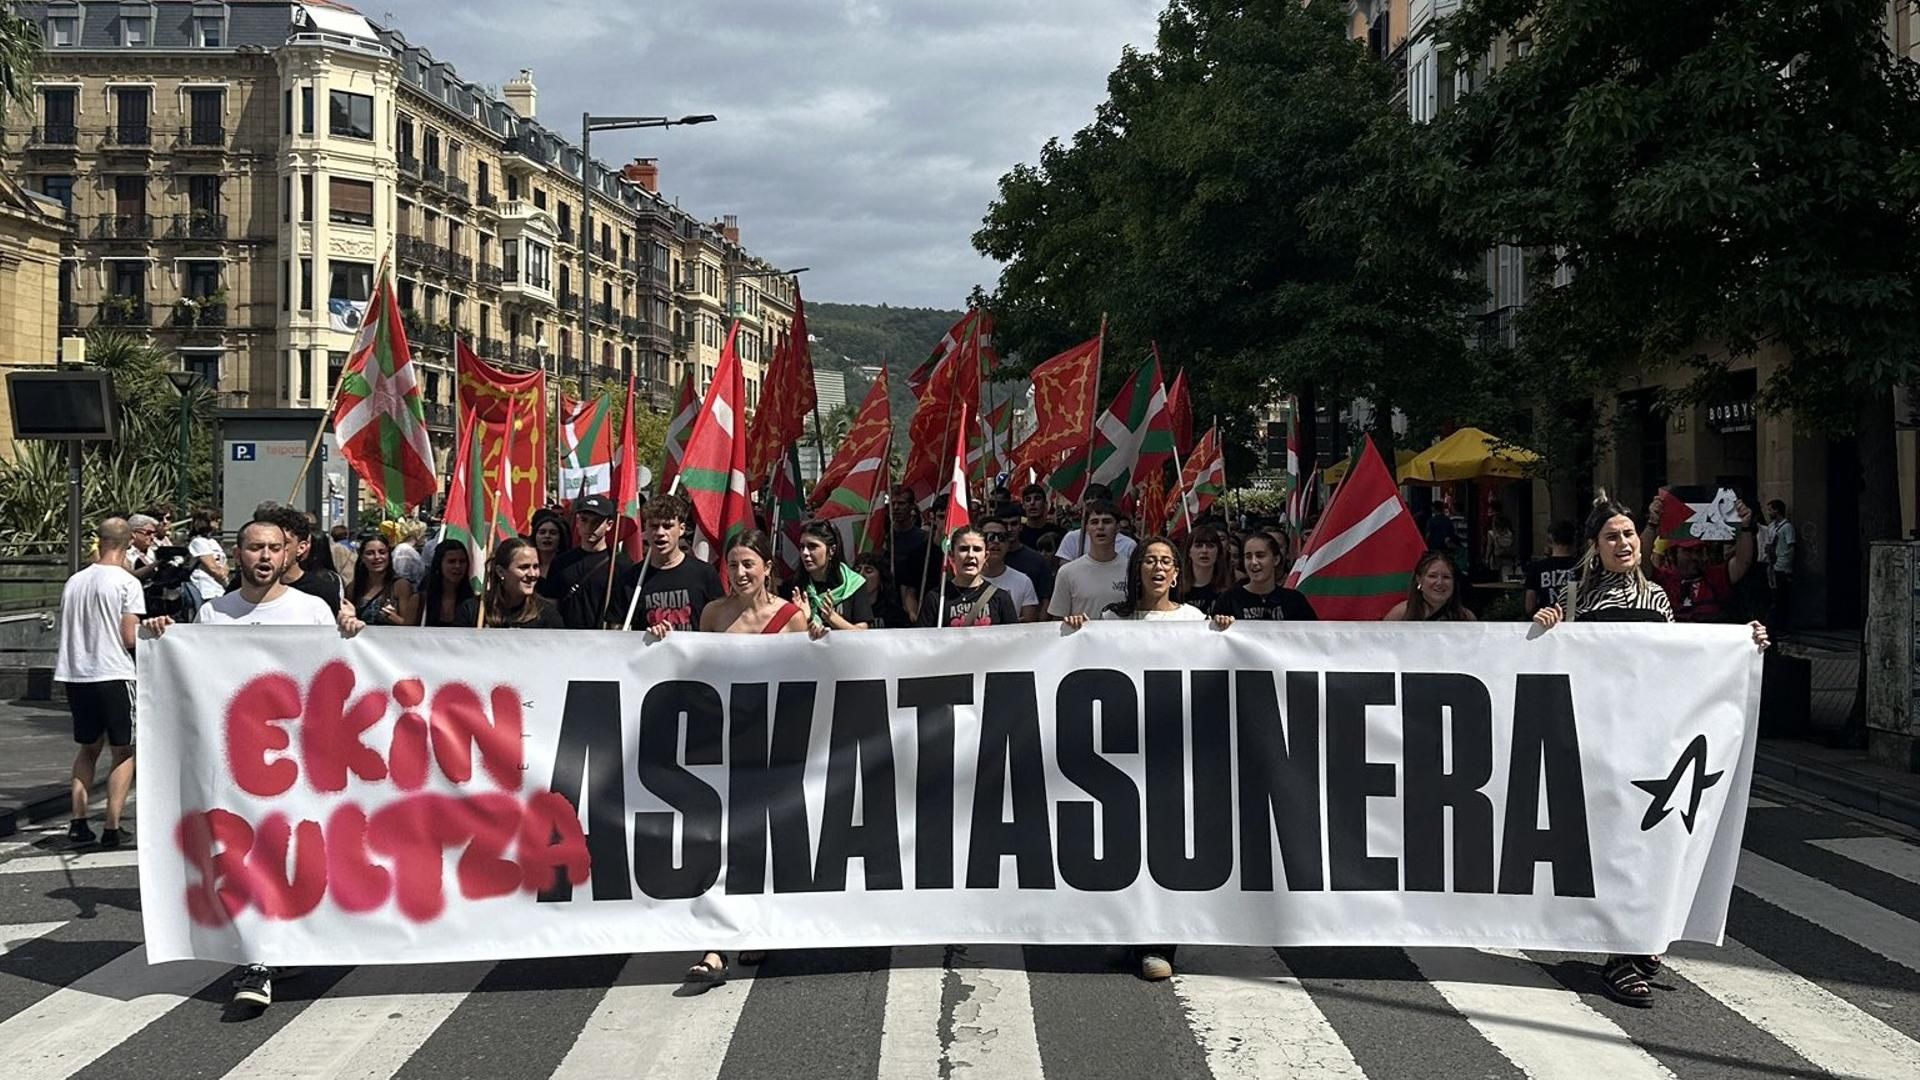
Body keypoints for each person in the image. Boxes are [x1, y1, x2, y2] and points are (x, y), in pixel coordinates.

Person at [1532, 494, 1766, 1009]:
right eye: (1612, 536)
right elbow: (1549, 665)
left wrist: (1740, 644)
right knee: (1612, 847)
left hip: (1650, 738)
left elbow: (1675, 661)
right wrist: (1545, 628)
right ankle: (1625, 951)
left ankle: (1633, 950)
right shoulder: (1575, 600)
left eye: (1630, 534)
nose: (1624, 543)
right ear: (1596, 546)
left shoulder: (1658, 596)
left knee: (1648, 844)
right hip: (1597, 741)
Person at [143, 516, 363, 1010]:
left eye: (273, 548)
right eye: (254, 548)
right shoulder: (215, 615)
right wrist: (162, 635)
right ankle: (256, 958)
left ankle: (287, 943)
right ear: (236, 554)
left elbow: (336, 679)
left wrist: (352, 632)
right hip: (237, 762)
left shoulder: (311, 611)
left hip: (297, 760)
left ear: (290, 555)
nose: (263, 557)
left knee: (293, 854)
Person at [1062, 536, 1230, 981]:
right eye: (1150, 561)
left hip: (1172, 749)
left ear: (1178, 573)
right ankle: (1131, 935)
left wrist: (1226, 633)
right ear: (1136, 570)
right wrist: (1079, 628)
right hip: (1120, 749)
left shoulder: (1195, 620)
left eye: (1166, 562)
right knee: (1124, 840)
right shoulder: (1112, 620)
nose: (1158, 568)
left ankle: (1159, 943)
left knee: (1166, 839)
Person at [680, 529, 814, 987]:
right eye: (732, 565)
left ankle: (757, 925)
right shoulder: (713, 614)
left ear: (767, 569)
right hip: (725, 743)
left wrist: (820, 636)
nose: (739, 574)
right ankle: (714, 947)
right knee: (719, 840)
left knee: (761, 841)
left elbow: (809, 682)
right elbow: (698, 671)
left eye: (748, 565)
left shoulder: (792, 617)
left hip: (775, 746)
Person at [54, 518, 144, 849]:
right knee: (124, 750)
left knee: (88, 747)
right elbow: (129, 636)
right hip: (114, 672)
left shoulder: (75, 581)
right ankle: (111, 825)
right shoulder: (127, 583)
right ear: (128, 542)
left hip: (76, 673)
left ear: (101, 541)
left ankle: (78, 821)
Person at [618, 494, 726, 634]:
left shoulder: (705, 574)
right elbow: (617, 631)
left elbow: (720, 624)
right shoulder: (630, 579)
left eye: (667, 526)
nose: (660, 533)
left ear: (681, 529)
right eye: (654, 526)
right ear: (645, 529)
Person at [1647, 491, 1756, 624]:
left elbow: (1742, 561)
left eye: (1699, 551)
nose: (1694, 556)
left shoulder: (1716, 577)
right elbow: (1641, 561)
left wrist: (1744, 526)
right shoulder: (1661, 579)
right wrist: (1652, 524)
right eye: (1688, 551)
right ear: (1673, 553)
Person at [543, 494, 634, 629]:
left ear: (609, 525)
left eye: (596, 522)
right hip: (566, 641)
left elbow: (624, 612)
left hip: (604, 642)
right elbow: (551, 606)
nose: (589, 527)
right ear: (577, 522)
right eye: (584, 520)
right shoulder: (561, 563)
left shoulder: (621, 565)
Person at [921, 525, 1023, 627]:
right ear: (952, 555)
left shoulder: (1000, 598)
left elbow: (1013, 639)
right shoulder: (936, 598)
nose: (970, 555)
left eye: (977, 549)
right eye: (964, 549)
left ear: (985, 556)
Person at [1047, 500, 1132, 620]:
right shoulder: (1067, 573)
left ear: (1117, 527)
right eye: (1094, 522)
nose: (1100, 527)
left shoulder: (1132, 570)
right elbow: (1057, 621)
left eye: (1107, 522)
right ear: (1087, 528)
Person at [457, 538, 566, 629]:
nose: (532, 574)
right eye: (524, 567)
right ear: (500, 571)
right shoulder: (473, 610)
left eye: (536, 567)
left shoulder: (546, 614)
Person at [788, 520, 873, 631]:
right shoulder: (795, 587)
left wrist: (832, 618)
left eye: (812, 547)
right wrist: (805, 621)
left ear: (832, 550)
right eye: (802, 547)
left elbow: (863, 634)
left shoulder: (854, 584)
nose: (805, 553)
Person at [1213, 531, 1317, 621]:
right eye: (1248, 557)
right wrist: (1220, 624)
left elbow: (1312, 635)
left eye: (1260, 556)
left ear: (1276, 560)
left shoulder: (1295, 601)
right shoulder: (1228, 600)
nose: (1254, 562)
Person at [264, 507, 346, 617]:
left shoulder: (322, 591)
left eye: (285, 542)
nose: (272, 549)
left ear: (301, 548)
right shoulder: (244, 586)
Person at [1054, 484, 1140, 564]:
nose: (1092, 509)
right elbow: (1065, 572)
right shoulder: (1072, 538)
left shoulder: (1128, 545)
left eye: (1096, 504)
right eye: (1088, 505)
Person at [349, 532, 419, 627]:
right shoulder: (353, 587)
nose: (377, 557)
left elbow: (410, 627)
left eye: (382, 552)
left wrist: (395, 619)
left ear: (389, 556)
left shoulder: (401, 586)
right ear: (362, 558)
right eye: (370, 553)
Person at [1384, 552, 1476, 621]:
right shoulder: (1401, 614)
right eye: (1432, 576)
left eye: (1446, 577)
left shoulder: (1466, 617)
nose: (1439, 582)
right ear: (1419, 579)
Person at [979, 521, 1041, 622]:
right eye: (990, 536)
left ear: (1008, 544)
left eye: (1002, 537)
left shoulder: (1024, 582)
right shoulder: (966, 581)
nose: (996, 541)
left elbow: (1029, 626)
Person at [996, 506, 1055, 609]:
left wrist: (1040, 624)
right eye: (1005, 525)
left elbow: (1046, 599)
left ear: (1021, 526)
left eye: (1014, 524)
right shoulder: (989, 559)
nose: (1009, 529)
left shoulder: (1037, 560)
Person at [1523, 521, 1580, 616]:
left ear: (1550, 539)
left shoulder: (1537, 567)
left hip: (1545, 621)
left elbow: (1529, 607)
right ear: (1574, 540)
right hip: (1575, 622)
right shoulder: (1582, 567)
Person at [419, 538, 477, 627]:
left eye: (462, 561)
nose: (457, 566)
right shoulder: (421, 601)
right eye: (451, 561)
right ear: (439, 564)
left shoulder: (475, 605)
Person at [1763, 499, 1796, 633]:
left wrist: (1787, 564)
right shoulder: (1771, 526)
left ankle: (1783, 627)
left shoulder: (1787, 527)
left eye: (1771, 509)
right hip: (1772, 564)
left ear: (1777, 510)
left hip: (1782, 566)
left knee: (1782, 598)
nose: (1769, 512)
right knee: (1774, 597)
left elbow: (1791, 546)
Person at [1181, 526, 1231, 614]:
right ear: (1189, 552)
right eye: (1198, 546)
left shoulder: (1229, 591)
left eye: (1210, 546)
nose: (1204, 550)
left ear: (1218, 551)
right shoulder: (1176, 589)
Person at [184, 510, 227, 611]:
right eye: (214, 519)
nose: (218, 521)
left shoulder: (213, 542)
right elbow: (212, 567)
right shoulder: (197, 542)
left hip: (219, 588)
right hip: (205, 589)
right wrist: (221, 575)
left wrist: (224, 574)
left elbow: (224, 564)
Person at [530, 508, 571, 583]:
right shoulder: (527, 563)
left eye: (553, 533)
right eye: (542, 532)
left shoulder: (568, 565)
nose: (547, 536)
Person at [391, 520, 428, 588]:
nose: (425, 537)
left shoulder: (407, 549)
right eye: (424, 534)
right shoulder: (404, 550)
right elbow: (402, 576)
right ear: (418, 534)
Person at [1483, 512, 1519, 581]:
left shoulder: (1491, 533)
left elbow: (1489, 547)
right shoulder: (1510, 532)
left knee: (1497, 577)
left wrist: (1486, 559)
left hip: (1497, 559)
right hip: (1509, 558)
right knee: (1507, 577)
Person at [1019, 483, 1054, 548]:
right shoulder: (1018, 535)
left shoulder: (1058, 533)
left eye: (1037, 498)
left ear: (1045, 504)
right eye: (1028, 500)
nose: (1032, 503)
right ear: (1023, 505)